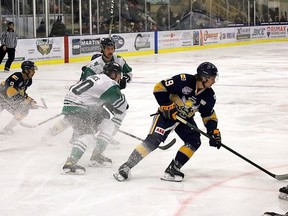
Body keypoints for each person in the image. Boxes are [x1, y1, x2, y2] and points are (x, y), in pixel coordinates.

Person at [113, 62, 221, 182]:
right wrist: (167, 105)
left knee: (194, 140)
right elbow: (159, 87)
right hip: (167, 116)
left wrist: (213, 131)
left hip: (185, 119)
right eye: (212, 78)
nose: (214, 81)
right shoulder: (184, 80)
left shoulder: (209, 95)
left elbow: (209, 116)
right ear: (204, 77)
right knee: (154, 140)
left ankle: (173, 168)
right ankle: (127, 166)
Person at [41, 37, 132, 152]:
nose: (110, 51)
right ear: (102, 49)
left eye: (112, 48)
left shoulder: (119, 60)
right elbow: (85, 82)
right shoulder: (94, 65)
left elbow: (129, 73)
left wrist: (124, 80)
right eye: (108, 48)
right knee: (75, 117)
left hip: (108, 93)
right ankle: (58, 135)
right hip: (92, 96)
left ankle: (106, 137)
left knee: (115, 113)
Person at [62, 62, 128, 174]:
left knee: (108, 125)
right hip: (79, 108)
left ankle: (97, 156)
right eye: (119, 74)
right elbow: (122, 107)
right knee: (87, 135)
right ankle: (70, 163)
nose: (119, 78)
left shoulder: (96, 78)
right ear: (114, 74)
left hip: (76, 105)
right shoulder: (110, 84)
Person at [0, 60, 38, 134]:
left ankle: (7, 128)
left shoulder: (29, 81)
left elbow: (21, 92)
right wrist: (25, 101)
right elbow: (9, 91)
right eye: (32, 70)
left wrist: (29, 99)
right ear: (26, 70)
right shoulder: (16, 76)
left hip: (8, 100)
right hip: (1, 97)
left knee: (24, 111)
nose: (34, 72)